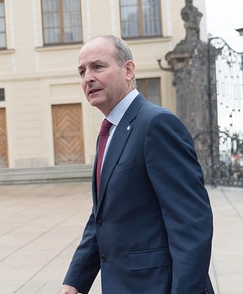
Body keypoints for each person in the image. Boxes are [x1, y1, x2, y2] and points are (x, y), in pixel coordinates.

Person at [61, 35, 214, 294]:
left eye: (98, 67)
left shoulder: (156, 124)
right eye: (82, 71)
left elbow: (191, 223)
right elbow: (102, 216)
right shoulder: (110, 130)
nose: (87, 78)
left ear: (128, 70)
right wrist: (75, 280)